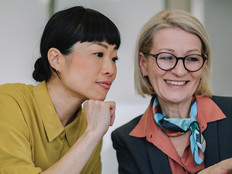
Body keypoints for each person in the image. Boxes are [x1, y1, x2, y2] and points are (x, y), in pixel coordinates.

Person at [0, 6, 120, 174]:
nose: (111, 69)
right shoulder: (9, 102)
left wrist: (92, 133)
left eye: (114, 58)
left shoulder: (89, 124)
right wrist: (92, 135)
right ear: (56, 59)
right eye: (98, 54)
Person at [111, 9, 232, 174]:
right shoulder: (127, 140)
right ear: (143, 64)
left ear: (203, 65)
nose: (180, 71)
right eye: (167, 57)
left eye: (192, 59)